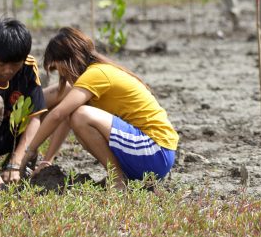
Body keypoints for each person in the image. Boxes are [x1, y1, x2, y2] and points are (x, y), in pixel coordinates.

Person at [19, 27, 179, 188]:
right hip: (150, 155)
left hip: (155, 152)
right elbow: (59, 111)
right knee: (75, 113)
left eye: (58, 69)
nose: (62, 76)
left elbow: (58, 114)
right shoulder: (94, 75)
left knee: (80, 116)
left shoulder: (96, 74)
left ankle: (117, 180)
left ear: (69, 61)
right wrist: (47, 161)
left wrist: (28, 152)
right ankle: (121, 176)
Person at [0, 19, 46, 188]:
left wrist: (16, 161)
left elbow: (35, 118)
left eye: (15, 65)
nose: (8, 70)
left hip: (7, 135)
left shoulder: (28, 66)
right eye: (1, 64)